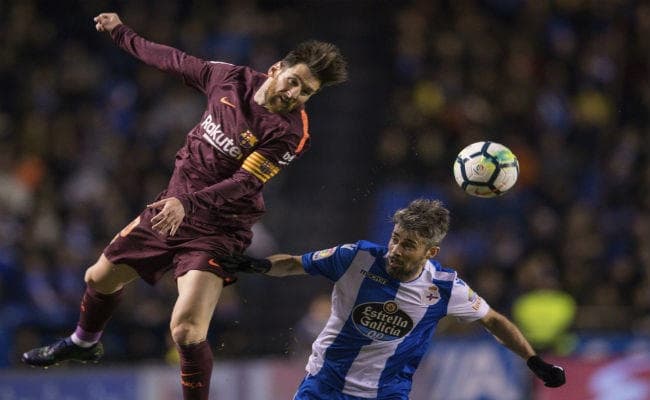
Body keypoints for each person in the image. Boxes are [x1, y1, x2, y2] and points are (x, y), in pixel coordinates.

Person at [22, 11, 347, 400]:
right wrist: (120, 32)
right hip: (170, 210)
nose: (295, 95)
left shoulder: (290, 132)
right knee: (98, 279)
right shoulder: (229, 78)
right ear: (276, 69)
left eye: (306, 92)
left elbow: (244, 183)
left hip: (217, 228)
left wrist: (186, 204)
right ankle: (83, 342)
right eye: (294, 81)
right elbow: (171, 60)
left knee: (187, 330)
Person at [215, 199, 566, 399]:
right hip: (324, 385)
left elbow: (493, 320)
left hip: (386, 394)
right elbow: (295, 264)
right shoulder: (356, 257)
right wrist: (256, 265)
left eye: (408, 245)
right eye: (395, 238)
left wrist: (533, 360)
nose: (395, 249)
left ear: (430, 252)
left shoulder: (445, 287)